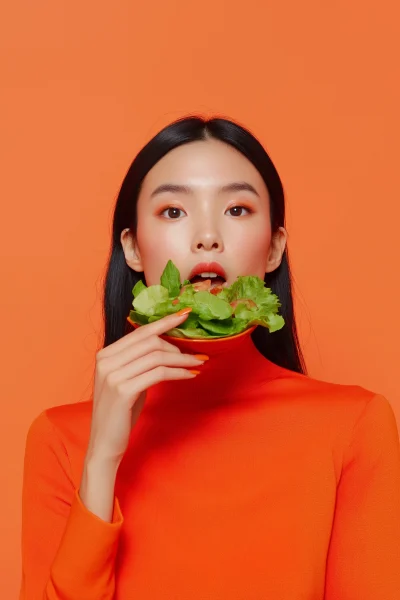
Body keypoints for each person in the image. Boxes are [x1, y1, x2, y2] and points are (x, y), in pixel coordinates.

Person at [20, 116, 400, 599]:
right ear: (133, 248)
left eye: (237, 209)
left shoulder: (353, 426)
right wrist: (102, 461)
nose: (206, 237)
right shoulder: (60, 440)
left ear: (275, 249)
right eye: (173, 212)